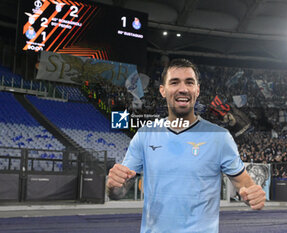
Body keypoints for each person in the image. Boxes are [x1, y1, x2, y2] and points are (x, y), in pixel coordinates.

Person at [106, 58, 266, 233]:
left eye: (189, 82)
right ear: (162, 90)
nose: (183, 89)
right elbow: (118, 192)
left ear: (197, 90)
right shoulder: (145, 135)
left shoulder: (220, 137)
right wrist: (112, 184)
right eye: (174, 82)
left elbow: (244, 185)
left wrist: (252, 195)